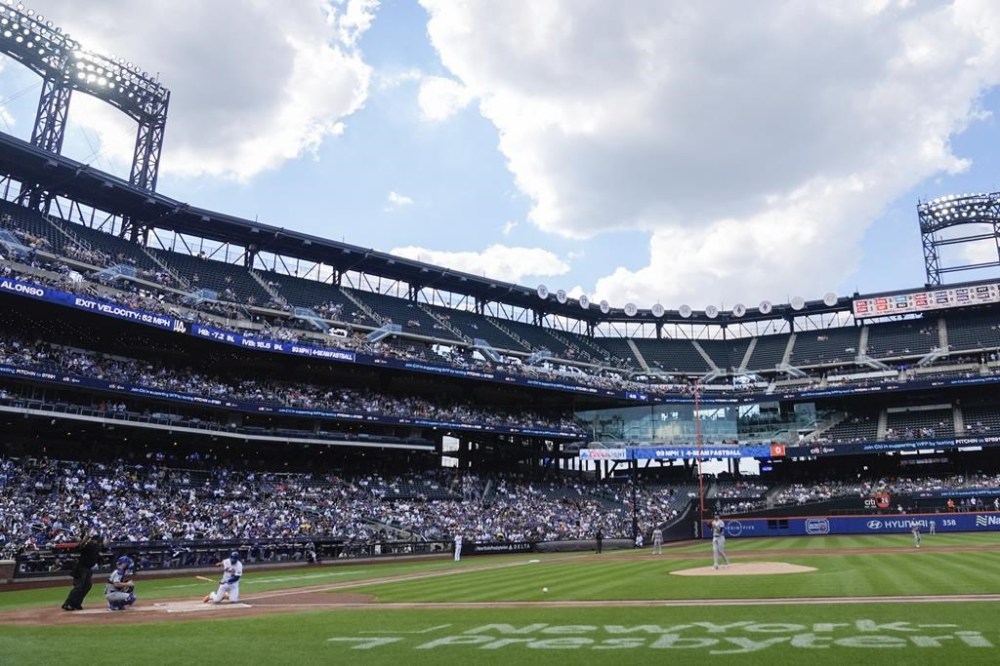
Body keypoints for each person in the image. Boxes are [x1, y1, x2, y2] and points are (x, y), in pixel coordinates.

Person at [62, 532, 102, 611]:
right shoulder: (89, 545)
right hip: (81, 568)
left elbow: (104, 546)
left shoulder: (96, 546)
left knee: (87, 586)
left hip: (88, 569)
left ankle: (77, 603)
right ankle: (68, 604)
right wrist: (84, 540)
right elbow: (78, 549)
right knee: (79, 587)